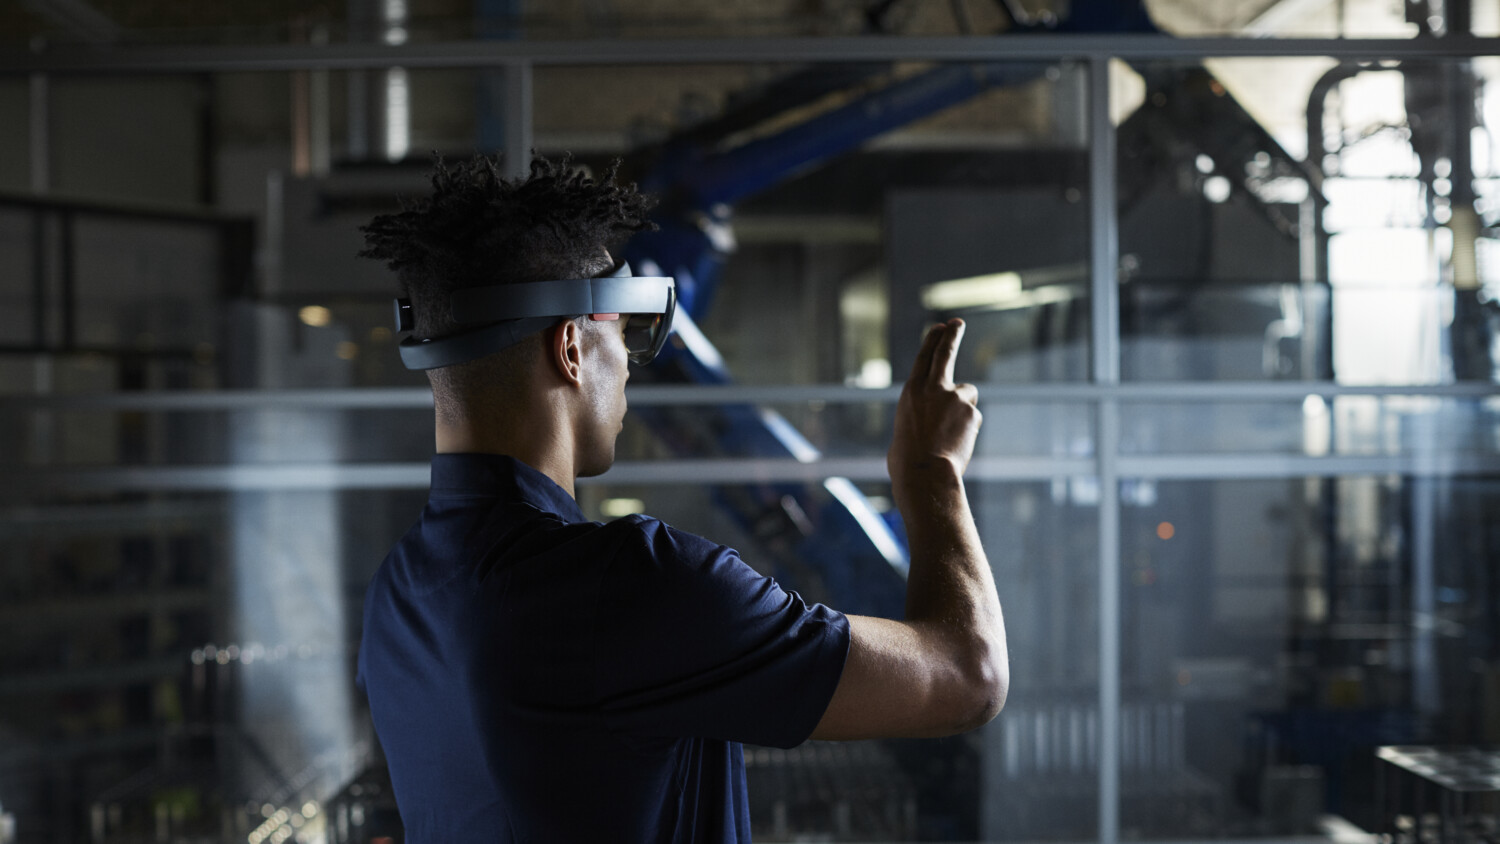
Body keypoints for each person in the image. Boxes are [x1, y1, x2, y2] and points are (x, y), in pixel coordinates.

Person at [355, 154, 1007, 843]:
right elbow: (969, 675)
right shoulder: (634, 586)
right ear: (571, 347)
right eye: (623, 335)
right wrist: (932, 472)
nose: (632, 365)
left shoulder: (398, 594)